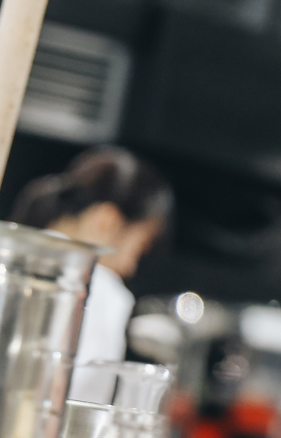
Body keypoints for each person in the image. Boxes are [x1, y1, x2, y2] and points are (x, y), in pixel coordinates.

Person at [11, 147, 174, 370]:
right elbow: (89, 388)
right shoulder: (99, 288)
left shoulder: (9, 256)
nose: (130, 268)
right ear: (106, 222)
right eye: (137, 249)